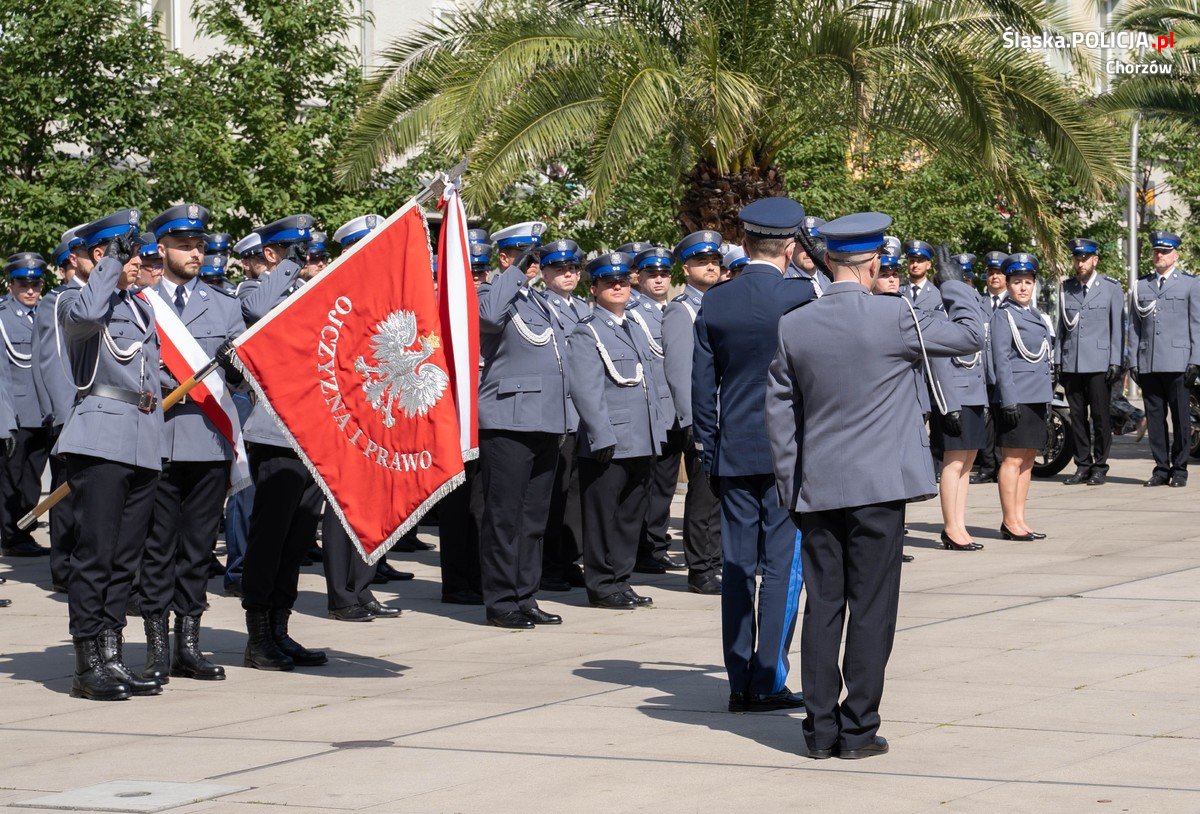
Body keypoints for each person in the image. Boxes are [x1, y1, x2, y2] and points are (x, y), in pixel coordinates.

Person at [766, 216, 985, 759]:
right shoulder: (896, 316)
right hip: (879, 490)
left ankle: (818, 731)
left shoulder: (795, 323)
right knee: (871, 607)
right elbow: (971, 334)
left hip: (816, 488)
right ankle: (858, 729)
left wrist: (791, 486)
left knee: (825, 607)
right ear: (870, 267)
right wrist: (953, 280)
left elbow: (779, 416)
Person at [693, 197, 816, 713]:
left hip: (733, 451)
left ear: (744, 244)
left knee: (740, 566)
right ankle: (767, 678)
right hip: (787, 450)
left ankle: (738, 678)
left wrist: (708, 449)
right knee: (783, 567)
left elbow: (703, 385)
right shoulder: (801, 296)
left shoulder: (716, 301)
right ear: (790, 246)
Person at [55, 208, 164, 700]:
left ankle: (113, 654)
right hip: (100, 437)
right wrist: (108, 265)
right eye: (130, 253)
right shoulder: (73, 302)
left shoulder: (142, 306)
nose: (139, 261)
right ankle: (86, 663)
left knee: (125, 559)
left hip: (142, 437)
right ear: (102, 255)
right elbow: (86, 318)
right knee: (95, 554)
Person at [135, 204, 244, 685]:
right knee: (157, 548)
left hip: (207, 440)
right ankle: (157, 644)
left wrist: (237, 365)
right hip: (156, 440)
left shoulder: (224, 304)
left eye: (200, 245)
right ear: (162, 248)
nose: (195, 252)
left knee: (198, 548)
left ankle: (189, 645)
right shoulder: (139, 301)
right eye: (185, 245)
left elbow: (241, 376)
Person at [240, 214, 329, 670]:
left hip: (315, 436)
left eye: (312, 253)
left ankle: (280, 628)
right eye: (300, 253)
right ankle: (257, 637)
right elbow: (257, 314)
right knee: (269, 538)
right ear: (273, 255)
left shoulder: (316, 294)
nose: (311, 261)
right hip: (275, 434)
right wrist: (288, 270)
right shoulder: (256, 290)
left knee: (296, 539)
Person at [476, 221, 569, 629]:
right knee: (504, 517)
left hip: (547, 420)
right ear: (504, 256)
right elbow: (490, 318)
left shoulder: (539, 302)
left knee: (533, 518)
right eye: (525, 253)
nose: (534, 263)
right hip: (508, 421)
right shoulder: (490, 293)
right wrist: (515, 270)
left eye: (536, 256)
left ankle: (526, 595)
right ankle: (500, 600)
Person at [568, 252, 667, 609]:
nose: (618, 287)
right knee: (603, 517)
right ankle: (601, 584)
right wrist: (601, 433)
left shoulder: (633, 327)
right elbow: (586, 389)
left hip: (641, 437)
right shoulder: (587, 331)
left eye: (623, 281)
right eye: (609, 282)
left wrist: (658, 430)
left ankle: (621, 580)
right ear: (593, 289)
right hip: (611, 439)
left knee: (629, 516)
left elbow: (649, 384)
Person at [661, 231, 723, 594]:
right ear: (686, 269)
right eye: (702, 261)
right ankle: (700, 568)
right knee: (702, 498)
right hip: (703, 418)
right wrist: (693, 422)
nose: (711, 266)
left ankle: (716, 561)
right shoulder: (680, 310)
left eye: (714, 260)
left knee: (720, 495)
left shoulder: (720, 304)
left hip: (724, 414)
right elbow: (680, 372)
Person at [32, 227, 88, 590]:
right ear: (72, 258)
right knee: (66, 498)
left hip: (100, 417)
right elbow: (53, 363)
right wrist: (68, 418)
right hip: (74, 417)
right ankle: (65, 569)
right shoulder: (59, 300)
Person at [434, 223, 486, 604]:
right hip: (450, 415)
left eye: (482, 272)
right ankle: (455, 582)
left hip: (483, 417)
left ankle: (478, 575)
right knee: (455, 506)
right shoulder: (439, 305)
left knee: (481, 505)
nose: (477, 279)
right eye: (471, 271)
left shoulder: (483, 303)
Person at [628, 247, 684, 576]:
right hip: (652, 410)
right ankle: (643, 547)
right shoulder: (634, 311)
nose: (660, 279)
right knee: (647, 484)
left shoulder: (673, 309)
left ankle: (656, 543)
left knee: (663, 484)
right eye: (652, 274)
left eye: (664, 274)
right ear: (640, 277)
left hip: (675, 408)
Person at [1129, 230, 1200, 488]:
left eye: (1165, 251)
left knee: (1181, 419)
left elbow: (1197, 324)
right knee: (1155, 419)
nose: (1159, 255)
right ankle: (1160, 468)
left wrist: (1196, 360)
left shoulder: (1190, 284)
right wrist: (1133, 360)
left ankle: (1179, 469)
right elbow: (1134, 326)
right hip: (1149, 362)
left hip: (1179, 362)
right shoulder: (1141, 285)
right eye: (1156, 251)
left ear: (1175, 255)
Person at [991, 253, 1054, 540]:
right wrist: (1008, 399)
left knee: (1028, 459)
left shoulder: (1037, 316)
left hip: (1037, 396)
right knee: (1012, 460)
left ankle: (1020, 518)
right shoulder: (1004, 316)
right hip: (1017, 397)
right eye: (1017, 282)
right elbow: (1001, 360)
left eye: (1028, 282)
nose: (1023, 287)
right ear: (1008, 284)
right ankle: (1008, 521)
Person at [536, 239, 586, 592]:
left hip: (584, 412)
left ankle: (568, 559)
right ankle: (549, 565)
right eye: (559, 268)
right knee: (554, 494)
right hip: (560, 410)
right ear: (545, 272)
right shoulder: (541, 306)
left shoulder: (584, 307)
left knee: (575, 494)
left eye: (572, 269)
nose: (567, 274)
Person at [1056, 238, 1124, 486]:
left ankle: (1100, 466)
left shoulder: (1111, 288)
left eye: (1085, 258)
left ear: (1095, 259)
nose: (1080, 262)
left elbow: (1118, 328)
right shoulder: (1066, 288)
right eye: (1077, 258)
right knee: (1076, 417)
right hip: (1072, 361)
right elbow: (1061, 327)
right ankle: (1082, 465)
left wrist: (1116, 360)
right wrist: (1057, 360)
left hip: (1099, 362)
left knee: (1100, 417)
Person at [933, 253, 988, 552]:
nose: (965, 285)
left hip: (974, 395)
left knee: (967, 464)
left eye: (967, 279)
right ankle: (951, 527)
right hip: (954, 396)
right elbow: (941, 362)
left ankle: (959, 524)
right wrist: (949, 404)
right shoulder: (942, 311)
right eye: (960, 279)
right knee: (953, 464)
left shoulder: (974, 309)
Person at [0, 253, 52, 558]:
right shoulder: (4, 317)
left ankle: (23, 531)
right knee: (11, 480)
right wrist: (5, 420)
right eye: (23, 284)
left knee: (33, 480)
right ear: (11, 285)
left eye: (35, 284)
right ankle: (11, 535)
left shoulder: (46, 313)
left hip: (42, 413)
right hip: (16, 414)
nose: (30, 290)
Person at [972, 251, 1009, 485]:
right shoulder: (979, 303)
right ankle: (987, 466)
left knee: (1004, 420)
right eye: (991, 272)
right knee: (986, 423)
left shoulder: (1012, 302)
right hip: (983, 371)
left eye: (999, 272)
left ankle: (1002, 466)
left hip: (1006, 372)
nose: (994, 277)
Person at [785, 215, 831, 293]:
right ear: (792, 247)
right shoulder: (783, 279)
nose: (809, 253)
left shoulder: (829, 276)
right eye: (804, 246)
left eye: (814, 247)